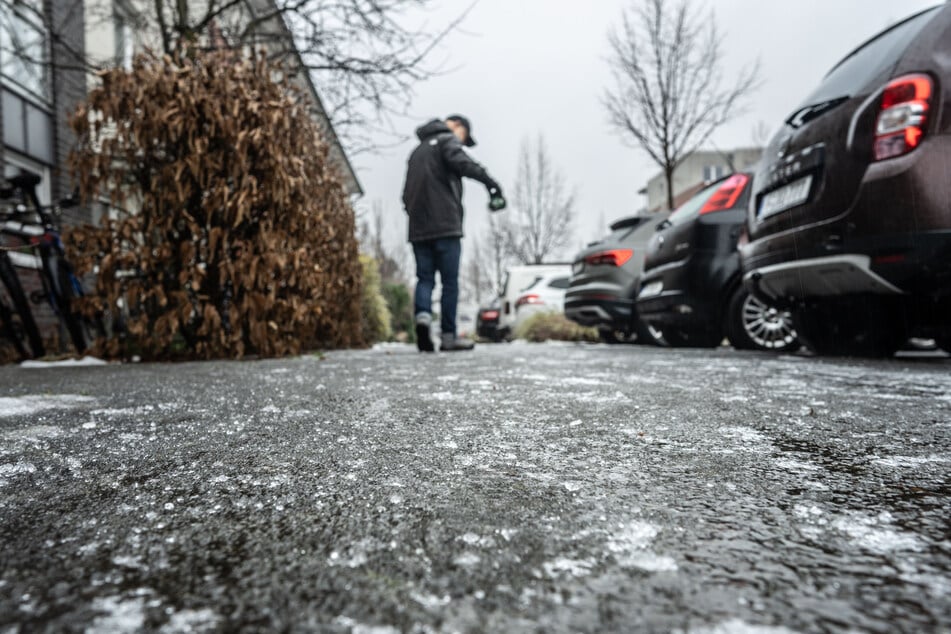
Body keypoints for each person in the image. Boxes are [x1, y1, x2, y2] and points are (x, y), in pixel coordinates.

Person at [402, 115, 505, 352]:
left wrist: (416, 216)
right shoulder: (447, 141)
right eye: (464, 138)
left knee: (424, 278)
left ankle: (423, 318)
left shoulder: (416, 152)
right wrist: (491, 184)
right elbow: (464, 164)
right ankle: (448, 336)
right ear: (456, 126)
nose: (462, 143)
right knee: (449, 282)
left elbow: (405, 195)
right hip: (446, 225)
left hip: (418, 228)